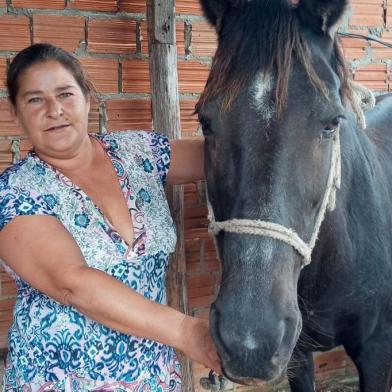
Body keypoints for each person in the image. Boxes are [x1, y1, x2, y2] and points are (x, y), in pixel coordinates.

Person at [0, 43, 221, 391]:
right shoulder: (15, 192)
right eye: (34, 99)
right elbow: (72, 283)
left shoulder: (136, 153)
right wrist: (187, 332)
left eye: (65, 94)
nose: (54, 110)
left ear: (87, 98)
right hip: (63, 380)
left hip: (153, 376)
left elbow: (226, 156)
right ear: (15, 113)